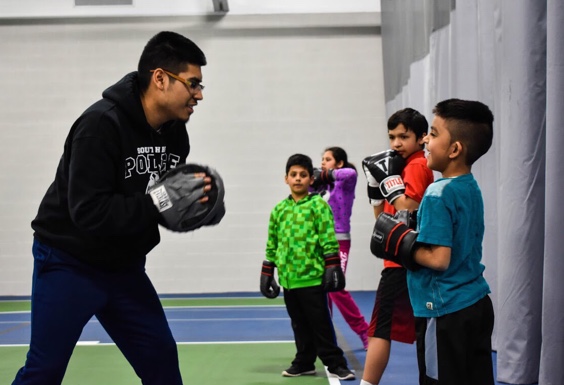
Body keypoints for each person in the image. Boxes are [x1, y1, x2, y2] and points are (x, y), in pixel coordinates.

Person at [12, 31, 224, 385]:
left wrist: (196, 209)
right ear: (160, 78)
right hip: (68, 264)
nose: (199, 95)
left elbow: (156, 207)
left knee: (163, 368)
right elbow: (89, 211)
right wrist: (161, 201)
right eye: (192, 84)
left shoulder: (175, 134)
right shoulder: (99, 126)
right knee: (44, 372)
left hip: (124, 269)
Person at [371, 98, 495, 385]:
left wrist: (402, 246)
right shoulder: (469, 187)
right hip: (475, 302)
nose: (426, 139)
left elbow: (439, 259)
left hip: (443, 310)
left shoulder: (437, 193)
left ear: (454, 149)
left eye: (434, 134)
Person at [259, 153, 355, 381]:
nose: (298, 179)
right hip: (289, 280)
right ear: (286, 179)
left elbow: (327, 237)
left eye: (303, 175)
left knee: (320, 324)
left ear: (311, 180)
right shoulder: (279, 210)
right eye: (293, 175)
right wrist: (267, 271)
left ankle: (336, 363)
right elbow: (272, 242)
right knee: (299, 325)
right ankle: (304, 362)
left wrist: (333, 266)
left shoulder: (318, 206)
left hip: (312, 278)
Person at [360, 108, 434, 385]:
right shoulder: (402, 165)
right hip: (407, 258)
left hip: (401, 262)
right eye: (392, 137)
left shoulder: (415, 165)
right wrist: (374, 192)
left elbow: (408, 209)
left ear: (422, 137)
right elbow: (383, 221)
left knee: (380, 328)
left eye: (404, 136)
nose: (396, 143)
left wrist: (389, 185)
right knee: (420, 330)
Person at [310, 146, 370, 350]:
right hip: (318, 243)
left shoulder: (344, 182)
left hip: (339, 241)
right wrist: (312, 180)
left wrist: (327, 174)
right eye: (322, 159)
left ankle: (364, 331)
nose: (322, 163)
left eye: (327, 159)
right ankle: (325, 337)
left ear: (339, 163)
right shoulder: (319, 188)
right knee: (321, 291)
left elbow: (351, 172)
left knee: (335, 287)